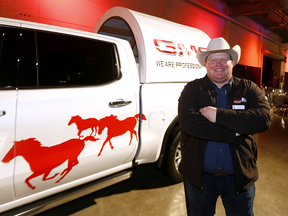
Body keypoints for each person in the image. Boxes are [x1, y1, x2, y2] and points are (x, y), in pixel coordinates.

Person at [178, 37, 271, 216]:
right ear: (206, 63)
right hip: (199, 181)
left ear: (232, 63)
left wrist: (218, 114)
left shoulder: (248, 88)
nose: (218, 64)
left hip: (239, 180)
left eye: (223, 59)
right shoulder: (192, 89)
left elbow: (263, 118)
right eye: (213, 59)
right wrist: (235, 131)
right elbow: (190, 124)